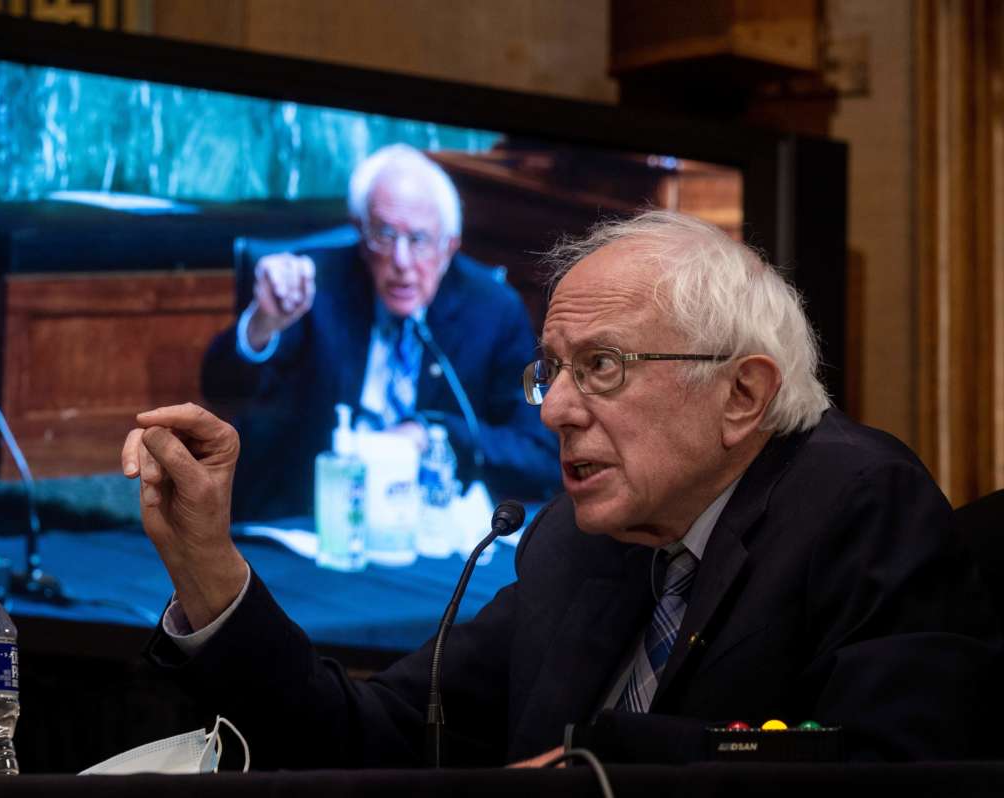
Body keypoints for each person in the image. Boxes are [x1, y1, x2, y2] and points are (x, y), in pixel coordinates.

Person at [123, 210, 1000, 767]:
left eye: (603, 366)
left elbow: (894, 771)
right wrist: (209, 566)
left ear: (743, 394)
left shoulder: (860, 504)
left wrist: (601, 771)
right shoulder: (575, 543)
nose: (556, 411)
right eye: (552, 371)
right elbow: (382, 739)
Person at [201, 143, 560, 520]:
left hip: (428, 532)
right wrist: (261, 325)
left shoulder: (492, 310)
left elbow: (539, 454)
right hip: (313, 522)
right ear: (361, 233)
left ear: (449, 245)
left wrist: (432, 435)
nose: (401, 262)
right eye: (385, 236)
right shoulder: (312, 288)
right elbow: (221, 392)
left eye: (419, 240)